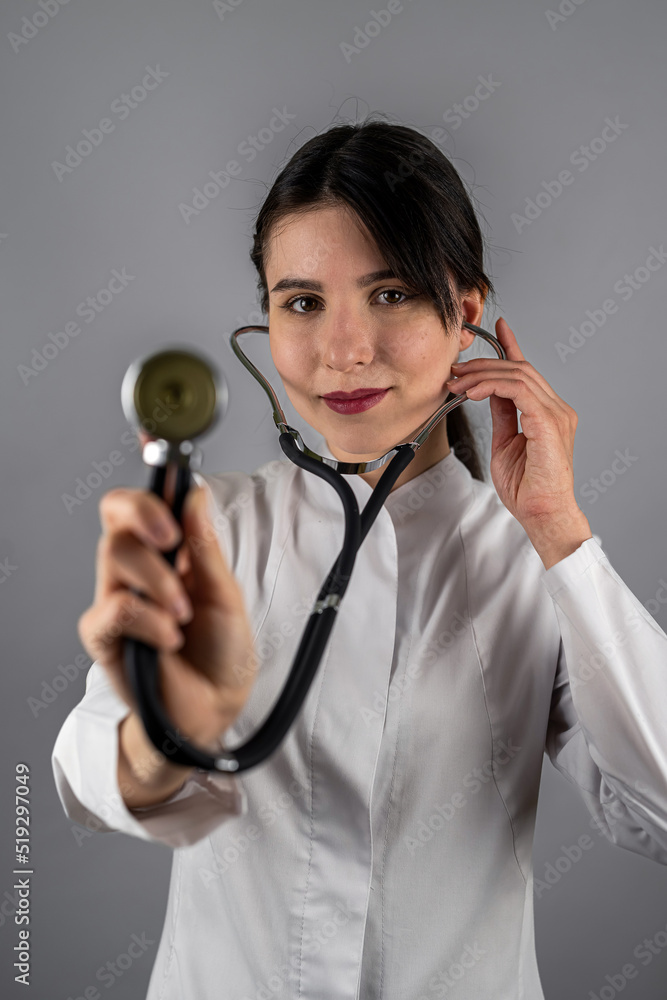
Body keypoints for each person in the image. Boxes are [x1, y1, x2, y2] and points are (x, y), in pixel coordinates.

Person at [51, 116, 667, 1000]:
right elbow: (85, 782)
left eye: (390, 294)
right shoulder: (210, 528)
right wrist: (168, 729)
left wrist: (560, 530)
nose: (343, 351)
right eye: (302, 303)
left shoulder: (536, 562)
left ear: (465, 313)